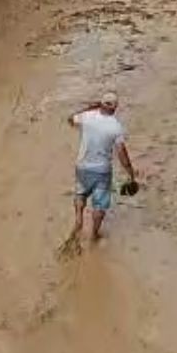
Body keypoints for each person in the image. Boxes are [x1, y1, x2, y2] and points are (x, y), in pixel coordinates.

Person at [66, 91, 138, 249]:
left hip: (82, 165)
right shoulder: (116, 127)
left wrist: (89, 107)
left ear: (101, 103)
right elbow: (122, 154)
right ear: (115, 108)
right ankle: (94, 235)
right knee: (99, 204)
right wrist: (131, 174)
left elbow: (70, 120)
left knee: (81, 192)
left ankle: (78, 219)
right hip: (102, 170)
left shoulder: (87, 116)